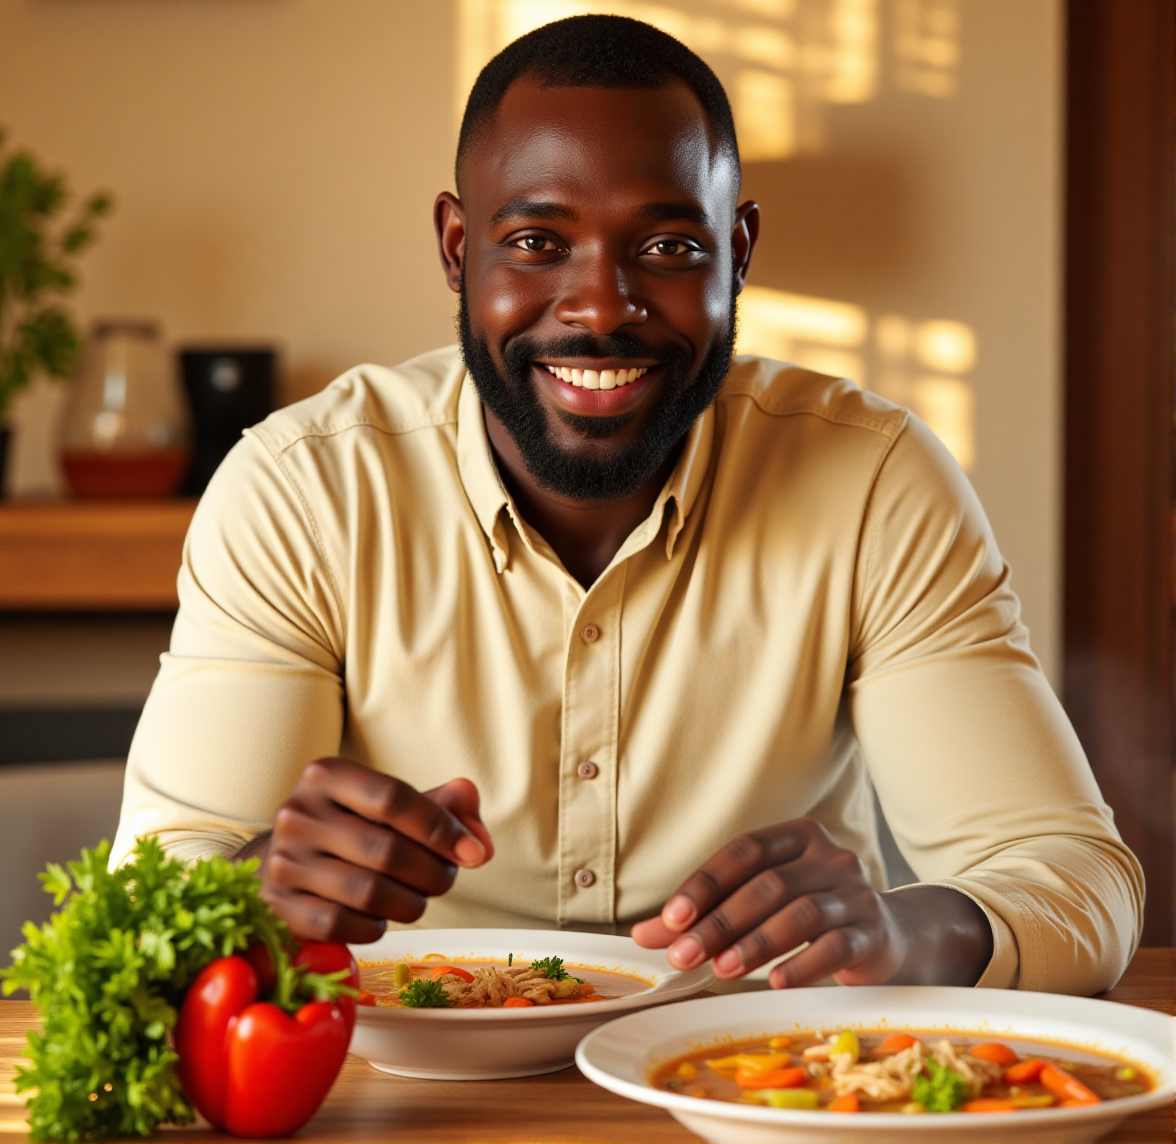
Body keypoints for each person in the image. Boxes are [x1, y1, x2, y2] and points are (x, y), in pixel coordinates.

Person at [111, 15, 1142, 994]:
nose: (602, 306)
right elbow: (143, 901)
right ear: (455, 247)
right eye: (535, 242)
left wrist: (899, 927)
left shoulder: (875, 480)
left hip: (755, 1075)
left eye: (667, 249)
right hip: (402, 1095)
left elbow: (1075, 878)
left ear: (738, 253)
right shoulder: (303, 489)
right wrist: (251, 892)